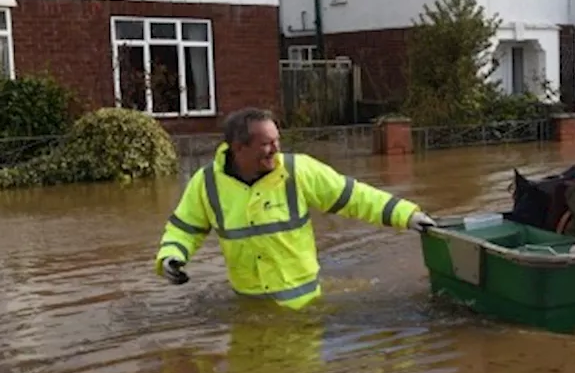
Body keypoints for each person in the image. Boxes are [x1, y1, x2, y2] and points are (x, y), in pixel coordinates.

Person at [153, 107, 435, 309]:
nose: (276, 149)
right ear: (239, 148)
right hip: (250, 309)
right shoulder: (206, 183)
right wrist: (170, 257)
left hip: (305, 307)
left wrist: (408, 216)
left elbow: (355, 197)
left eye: (278, 140)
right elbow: (184, 229)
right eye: (266, 144)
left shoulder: (298, 170)